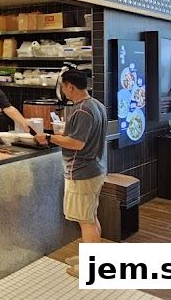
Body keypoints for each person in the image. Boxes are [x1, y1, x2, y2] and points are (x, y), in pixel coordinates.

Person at [33, 69, 106, 277]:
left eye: (63, 87)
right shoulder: (96, 105)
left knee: (86, 221)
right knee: (91, 216)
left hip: (82, 171)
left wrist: (49, 138)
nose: (63, 91)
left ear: (70, 86)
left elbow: (77, 143)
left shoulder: (82, 110)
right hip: (96, 169)